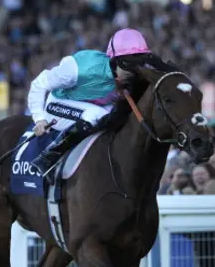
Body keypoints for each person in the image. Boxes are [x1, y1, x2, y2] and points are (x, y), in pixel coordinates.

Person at [27, 28, 152, 181]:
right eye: (128, 63)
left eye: (138, 63)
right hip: (57, 105)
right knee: (98, 116)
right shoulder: (82, 69)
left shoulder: (131, 76)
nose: (133, 70)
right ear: (114, 60)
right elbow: (39, 83)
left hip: (89, 106)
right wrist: (39, 118)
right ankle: (48, 158)